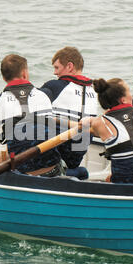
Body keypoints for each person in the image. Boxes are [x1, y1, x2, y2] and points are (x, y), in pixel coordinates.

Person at [82, 78, 133, 184]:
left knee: (109, 179)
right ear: (123, 100)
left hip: (124, 183)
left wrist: (90, 120)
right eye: (129, 92)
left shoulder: (99, 124)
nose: (132, 95)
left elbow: (91, 123)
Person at [0, 54, 62, 177]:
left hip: (22, 171)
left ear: (3, 77)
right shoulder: (46, 94)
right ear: (25, 73)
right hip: (51, 170)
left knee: (10, 141)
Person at [40, 47, 98, 178]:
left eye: (57, 68)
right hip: (75, 159)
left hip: (57, 154)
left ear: (70, 66)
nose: (55, 73)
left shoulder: (55, 86)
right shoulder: (93, 91)